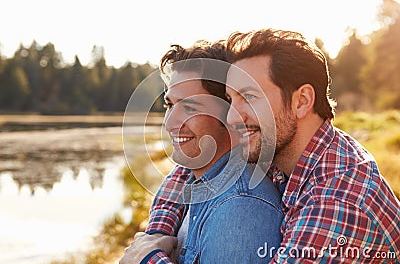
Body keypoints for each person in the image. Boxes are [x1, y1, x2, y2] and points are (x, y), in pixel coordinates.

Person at [123, 28, 400, 263]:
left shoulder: (337, 200)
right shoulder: (283, 150)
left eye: (250, 97)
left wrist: (147, 258)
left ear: (301, 101)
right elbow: (192, 171)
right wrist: (156, 235)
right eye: (231, 100)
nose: (233, 117)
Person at [119, 40, 283, 264]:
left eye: (190, 108)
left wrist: (145, 259)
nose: (170, 123)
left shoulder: (240, 209)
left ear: (230, 113)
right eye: (170, 105)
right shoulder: (194, 182)